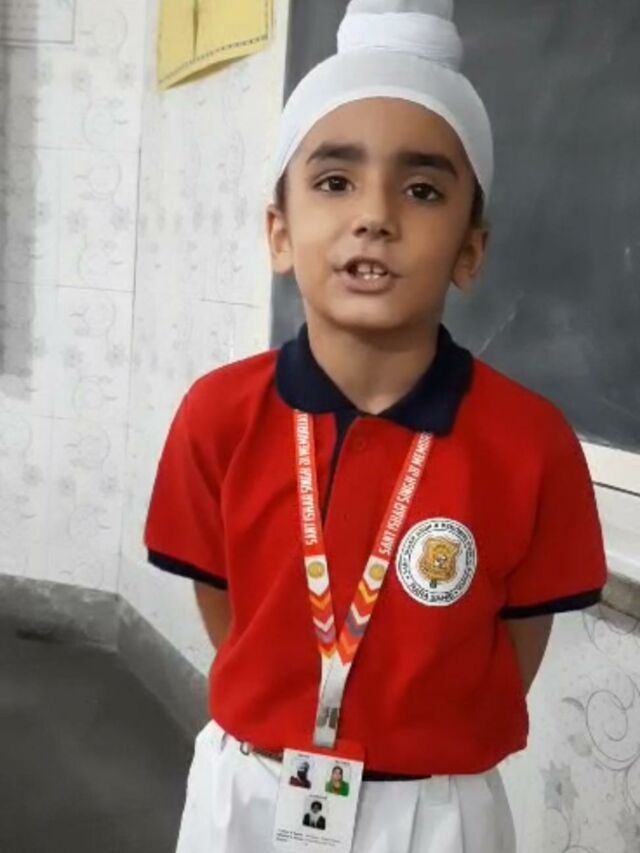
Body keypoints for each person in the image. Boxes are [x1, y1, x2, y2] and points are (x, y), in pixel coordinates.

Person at [144, 1, 607, 851]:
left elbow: (516, 645)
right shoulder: (218, 415)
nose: (375, 216)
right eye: (334, 181)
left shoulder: (532, 444)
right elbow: (227, 605)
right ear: (279, 232)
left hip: (436, 812)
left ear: (470, 250)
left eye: (422, 189)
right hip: (246, 790)